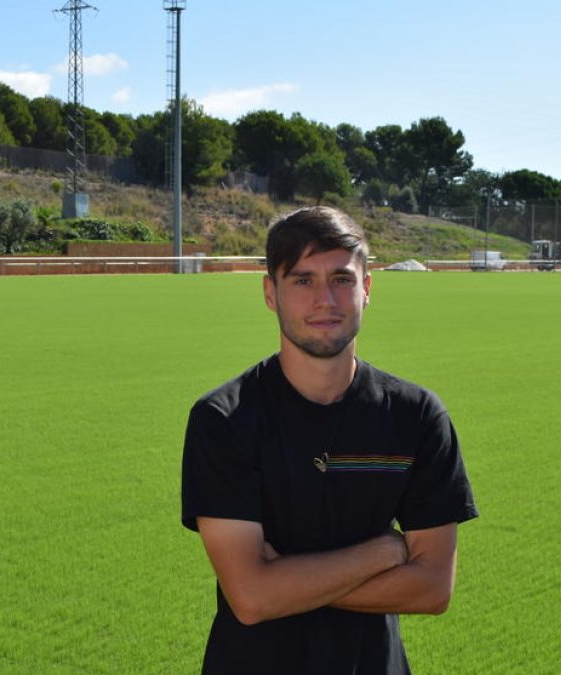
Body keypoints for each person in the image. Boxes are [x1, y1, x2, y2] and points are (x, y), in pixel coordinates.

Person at [181, 206, 478, 674]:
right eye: (302, 280)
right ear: (270, 293)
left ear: (367, 288)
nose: (325, 300)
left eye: (341, 279)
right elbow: (253, 598)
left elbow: (433, 588)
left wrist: (286, 582)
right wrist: (387, 552)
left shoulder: (416, 416)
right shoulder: (224, 419)